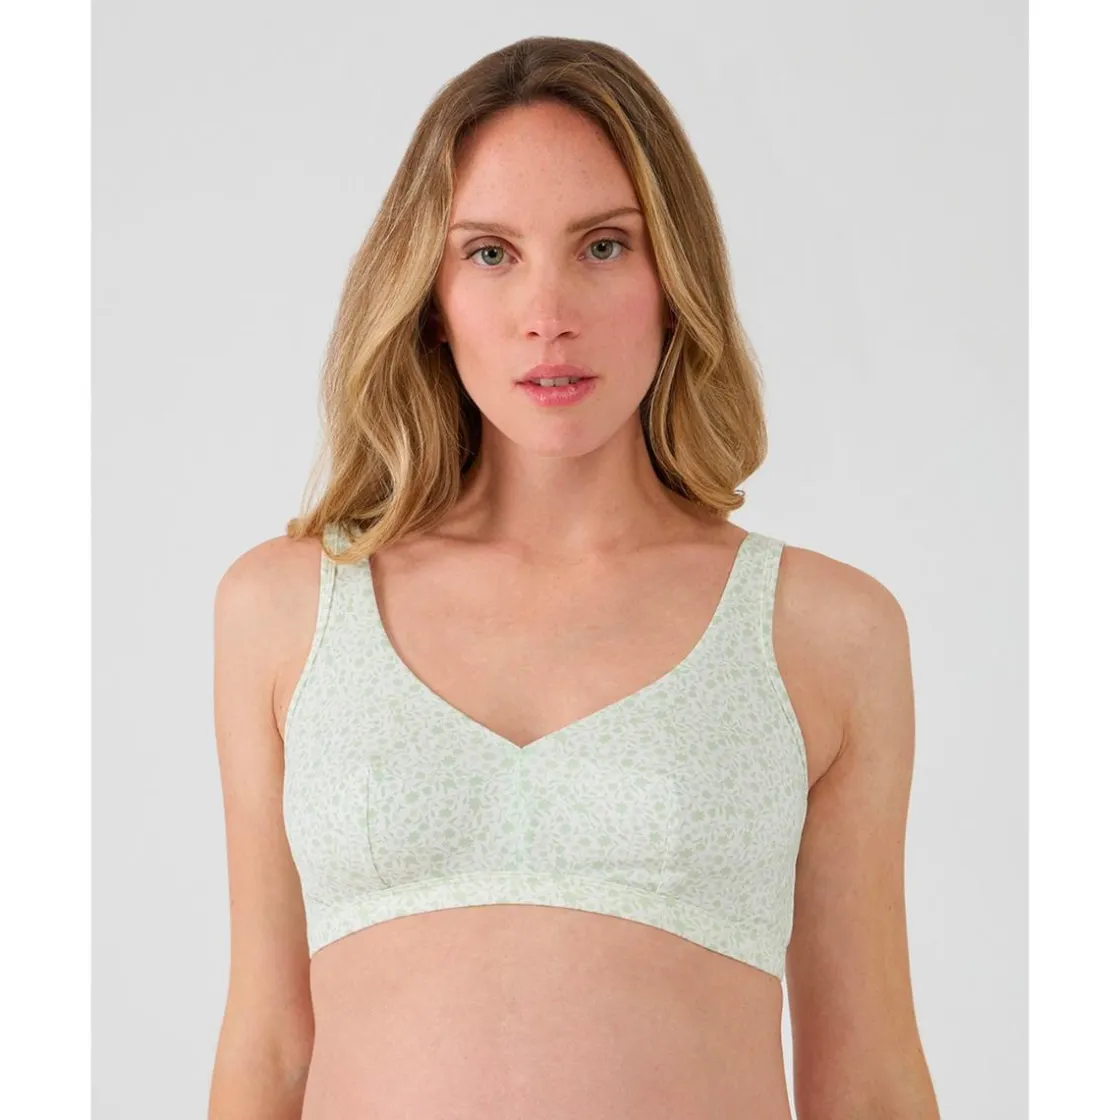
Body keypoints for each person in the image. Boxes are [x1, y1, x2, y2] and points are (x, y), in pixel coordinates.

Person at [208, 35, 940, 1120]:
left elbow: (868, 1079)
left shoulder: (825, 633)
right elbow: (267, 1047)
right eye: (489, 252)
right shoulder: (284, 611)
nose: (547, 312)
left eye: (602, 245)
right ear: (430, 293)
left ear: (673, 277)